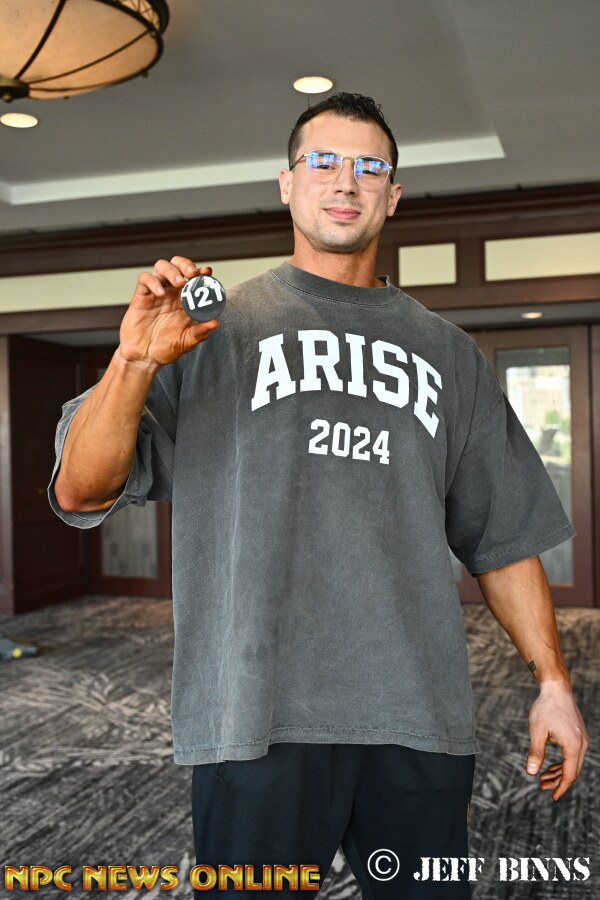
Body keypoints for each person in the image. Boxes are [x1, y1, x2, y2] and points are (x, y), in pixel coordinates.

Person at [49, 93, 589, 897]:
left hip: (417, 712)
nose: (346, 181)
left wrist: (554, 684)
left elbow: (501, 537)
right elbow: (80, 487)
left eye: (370, 167)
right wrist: (131, 363)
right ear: (287, 183)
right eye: (324, 161)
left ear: (392, 195)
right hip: (252, 712)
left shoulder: (450, 355)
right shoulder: (209, 332)